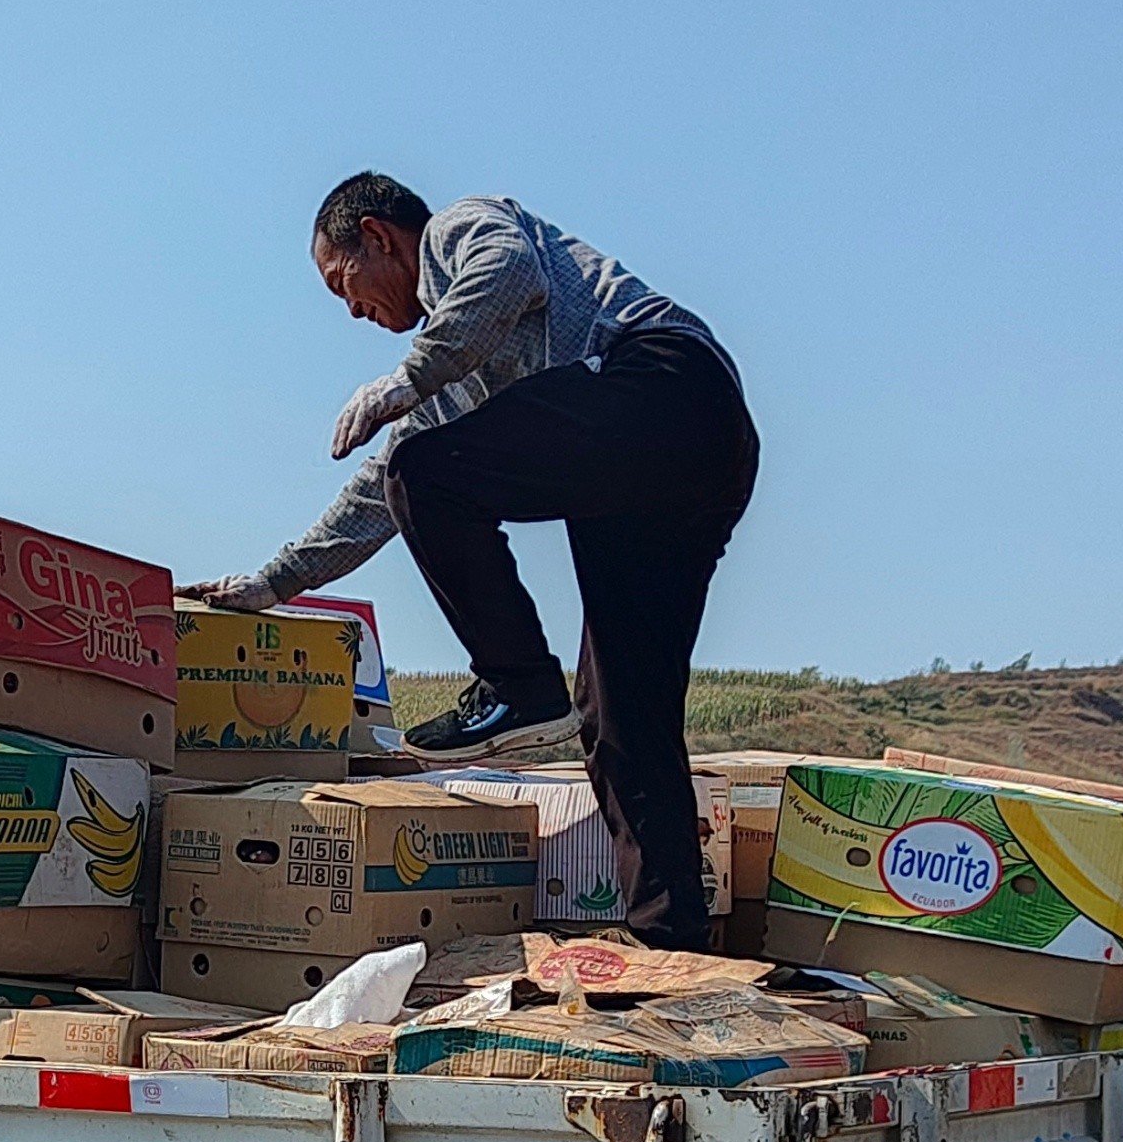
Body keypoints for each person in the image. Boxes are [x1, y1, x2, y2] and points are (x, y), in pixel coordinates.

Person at [197, 174, 759, 947]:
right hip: (670, 476)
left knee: (424, 470)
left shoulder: (462, 229)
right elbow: (379, 491)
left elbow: (507, 274)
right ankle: (671, 944)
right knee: (621, 711)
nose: (355, 312)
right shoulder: (455, 374)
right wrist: (276, 580)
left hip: (662, 385)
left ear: (380, 237)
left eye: (344, 286)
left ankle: (519, 686)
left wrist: (407, 378)